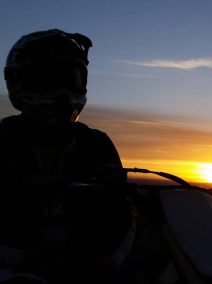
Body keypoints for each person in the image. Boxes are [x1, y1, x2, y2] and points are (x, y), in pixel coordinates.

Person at [0, 29, 136, 283]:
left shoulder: (96, 145)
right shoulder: (2, 140)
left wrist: (91, 267)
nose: (62, 93)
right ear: (18, 83)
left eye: (71, 78)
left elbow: (120, 218)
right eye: (46, 79)